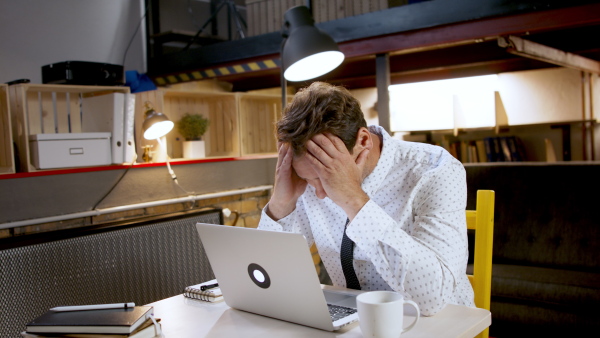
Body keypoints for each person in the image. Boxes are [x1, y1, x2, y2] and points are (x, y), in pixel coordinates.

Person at [257, 81, 474, 316]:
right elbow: (265, 279)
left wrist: (354, 200)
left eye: (326, 176)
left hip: (437, 321)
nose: (319, 193)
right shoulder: (308, 179)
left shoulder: (435, 170)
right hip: (353, 321)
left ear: (363, 141)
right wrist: (280, 205)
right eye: (309, 179)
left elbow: (433, 299)